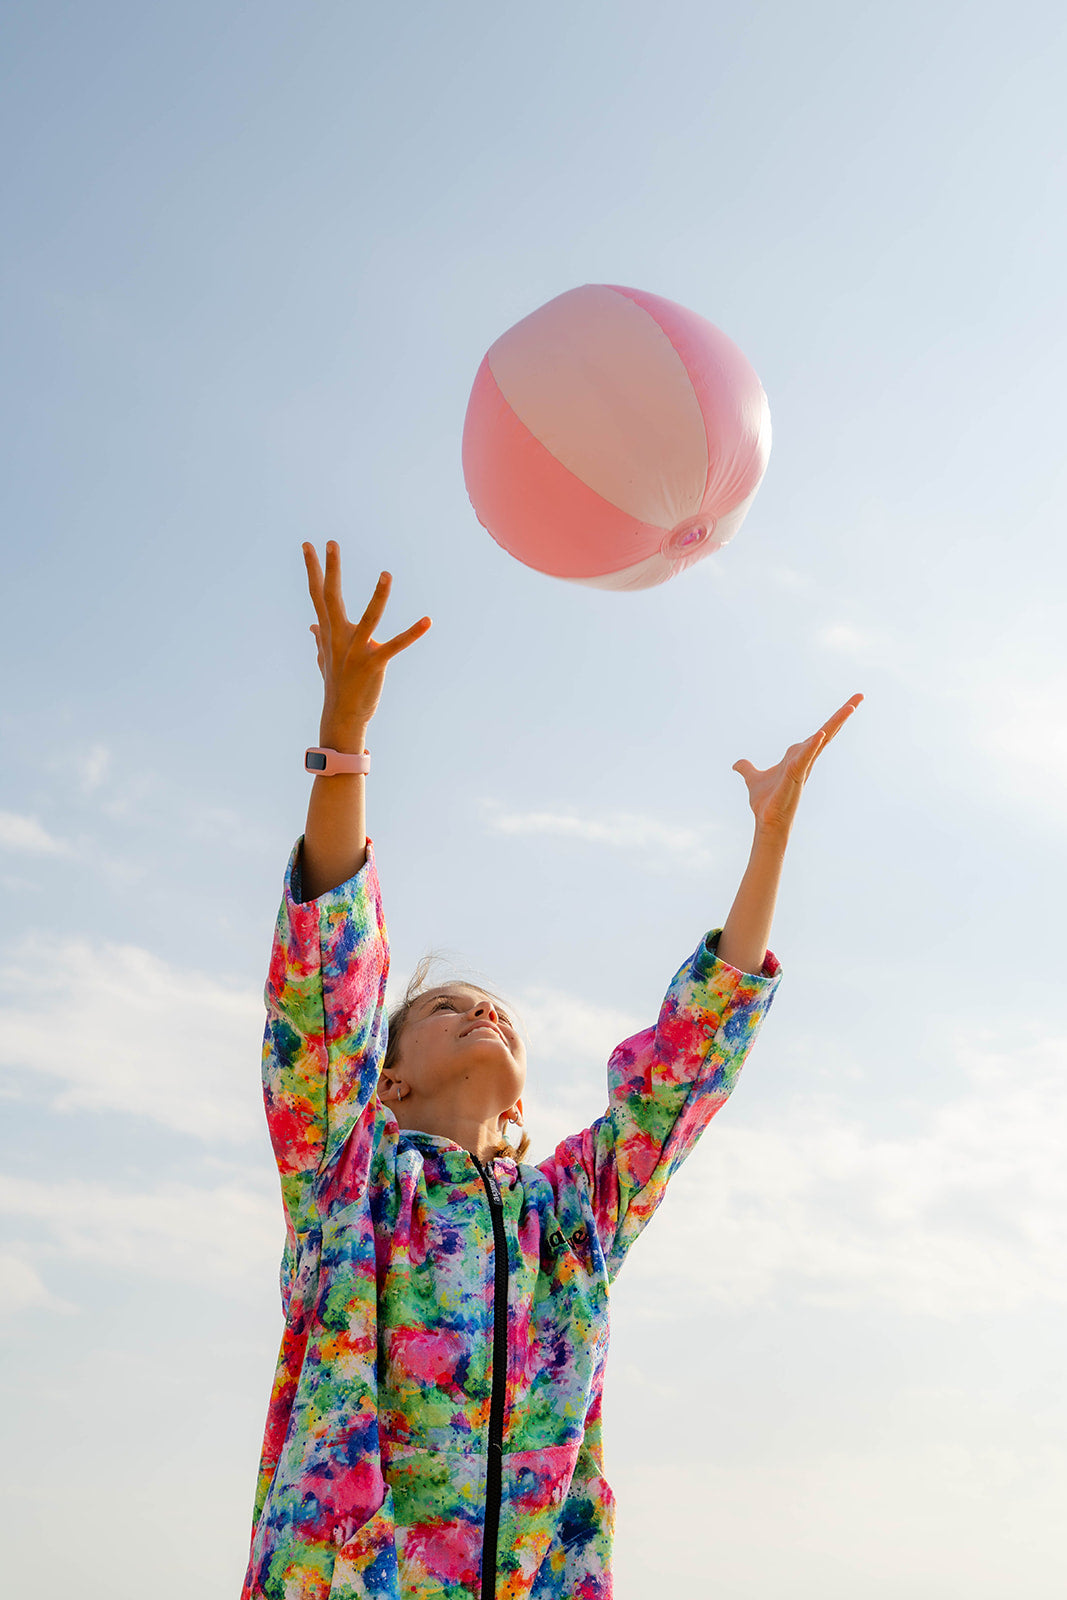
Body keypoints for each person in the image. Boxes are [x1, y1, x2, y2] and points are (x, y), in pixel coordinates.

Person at [241, 541, 862, 1600]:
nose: (480, 1007)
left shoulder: (573, 1215)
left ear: (522, 1097)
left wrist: (768, 843)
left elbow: (679, 1078)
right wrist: (344, 738)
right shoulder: (351, 1177)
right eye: (445, 1007)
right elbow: (324, 997)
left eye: (493, 1008)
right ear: (386, 1082)